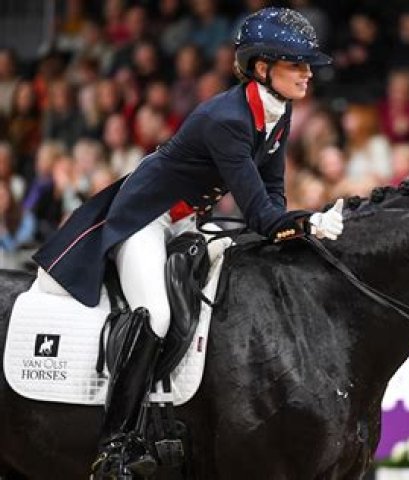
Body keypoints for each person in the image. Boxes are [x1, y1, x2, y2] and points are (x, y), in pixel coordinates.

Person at [32, 8, 343, 477]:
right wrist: (306, 224)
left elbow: (273, 194)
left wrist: (291, 222)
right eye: (296, 64)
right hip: (144, 218)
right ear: (262, 68)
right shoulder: (227, 119)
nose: (307, 74)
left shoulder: (278, 111)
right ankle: (114, 444)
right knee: (155, 314)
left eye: (306, 65)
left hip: (185, 220)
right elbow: (260, 214)